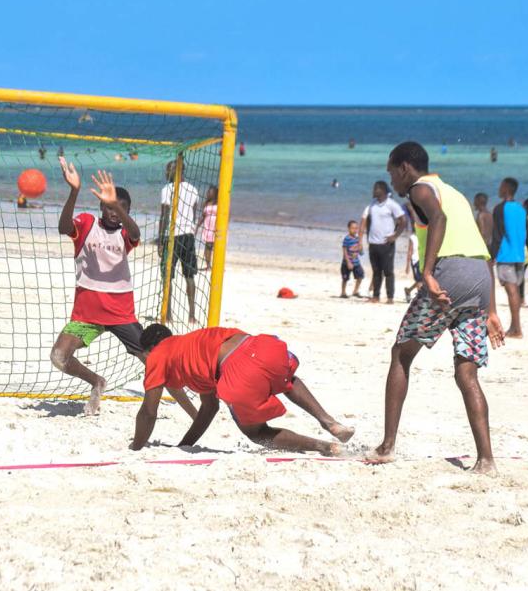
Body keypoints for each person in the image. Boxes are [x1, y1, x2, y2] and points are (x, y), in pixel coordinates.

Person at [371, 142, 504, 470]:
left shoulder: (419, 189)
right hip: (479, 280)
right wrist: (490, 309)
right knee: (466, 371)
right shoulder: (455, 192)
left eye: (391, 172)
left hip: (450, 275)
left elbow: (438, 219)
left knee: (401, 353)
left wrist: (427, 273)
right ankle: (486, 459)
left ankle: (387, 445)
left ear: (404, 168)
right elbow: (483, 251)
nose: (391, 181)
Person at [51, 157, 199, 416]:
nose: (113, 211)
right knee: (58, 357)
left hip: (120, 313)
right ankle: (96, 382)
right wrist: (74, 191)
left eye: (121, 208)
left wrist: (118, 209)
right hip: (87, 313)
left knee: (155, 362)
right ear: (100, 206)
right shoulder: (86, 224)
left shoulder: (124, 233)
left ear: (126, 212)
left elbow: (136, 234)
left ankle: (193, 411)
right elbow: (64, 227)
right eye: (109, 207)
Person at [130, 325, 355, 454]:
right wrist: (185, 445)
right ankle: (329, 421)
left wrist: (137, 446)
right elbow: (209, 407)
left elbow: (149, 412)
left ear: (149, 350)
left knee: (256, 433)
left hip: (236, 367)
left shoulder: (157, 356)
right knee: (286, 379)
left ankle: (323, 446)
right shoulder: (191, 343)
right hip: (260, 346)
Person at [490, 178, 528, 337]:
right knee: (514, 290)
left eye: (501, 186)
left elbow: (497, 234)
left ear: (506, 189)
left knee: (512, 291)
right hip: (520, 256)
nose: (499, 188)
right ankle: (514, 327)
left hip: (505, 254)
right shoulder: (521, 209)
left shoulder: (499, 208)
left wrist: (491, 256)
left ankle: (516, 329)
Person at [158, 160, 201, 323]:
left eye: (167, 170)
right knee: (189, 276)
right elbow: (194, 214)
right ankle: (192, 315)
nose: (165, 173)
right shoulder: (193, 189)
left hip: (172, 236)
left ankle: (167, 314)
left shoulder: (167, 189)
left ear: (175, 172)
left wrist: (161, 240)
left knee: (167, 276)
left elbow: (164, 215)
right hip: (188, 236)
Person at [361, 181, 406, 304]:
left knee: (388, 271)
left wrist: (395, 236)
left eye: (376, 188)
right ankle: (376, 296)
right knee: (376, 271)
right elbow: (368, 222)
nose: (374, 190)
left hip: (386, 244)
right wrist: (367, 238)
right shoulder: (372, 205)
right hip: (373, 244)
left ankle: (390, 297)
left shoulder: (392, 205)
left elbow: (403, 220)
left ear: (383, 191)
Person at [340, 220, 365, 298]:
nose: (354, 230)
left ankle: (355, 291)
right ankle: (343, 292)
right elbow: (344, 252)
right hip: (347, 262)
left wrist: (360, 247)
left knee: (360, 275)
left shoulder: (357, 239)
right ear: (348, 229)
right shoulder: (347, 239)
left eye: (356, 228)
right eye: (352, 228)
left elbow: (360, 251)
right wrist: (348, 262)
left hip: (356, 262)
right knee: (345, 278)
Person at [198, 186, 218, 271]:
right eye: (208, 192)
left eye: (210, 192)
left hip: (216, 226)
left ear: (215, 194)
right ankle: (208, 265)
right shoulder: (206, 204)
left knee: (217, 247)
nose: (208, 193)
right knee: (208, 246)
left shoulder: (219, 203)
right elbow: (203, 216)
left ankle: (217, 266)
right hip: (208, 226)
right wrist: (197, 226)